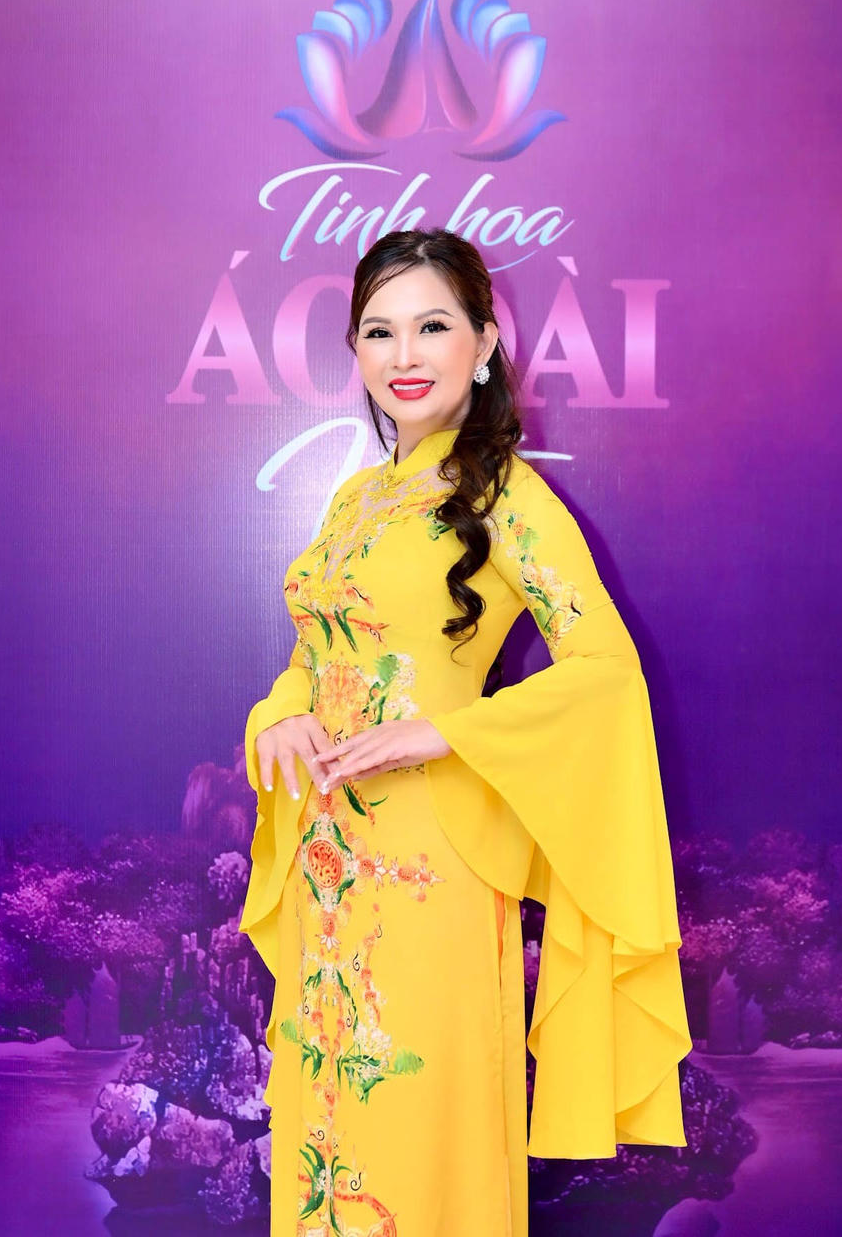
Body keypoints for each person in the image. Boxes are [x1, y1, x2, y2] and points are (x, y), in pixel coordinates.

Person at [240, 228, 692, 1236]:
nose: (405, 355)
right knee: (329, 1133)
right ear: (356, 352)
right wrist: (278, 714)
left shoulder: (507, 495)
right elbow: (314, 658)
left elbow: (605, 669)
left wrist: (444, 734)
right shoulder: (355, 499)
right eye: (379, 331)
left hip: (431, 864)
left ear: (484, 343)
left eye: (432, 326)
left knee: (419, 1126)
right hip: (327, 861)